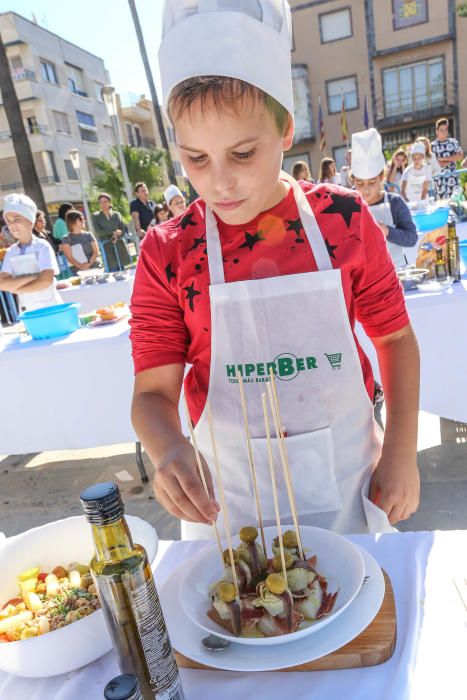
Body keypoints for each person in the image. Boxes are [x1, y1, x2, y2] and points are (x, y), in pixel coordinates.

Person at [130, 0, 420, 540]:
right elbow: (151, 394)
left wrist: (402, 451)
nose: (220, 183)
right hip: (229, 505)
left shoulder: (344, 221)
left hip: (350, 485)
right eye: (196, 159)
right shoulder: (166, 251)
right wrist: (167, 446)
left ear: (286, 129)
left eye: (242, 153)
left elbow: (396, 340)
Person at [352, 128, 417, 270]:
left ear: (382, 177)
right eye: (360, 184)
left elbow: (412, 238)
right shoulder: (349, 205)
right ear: (353, 180)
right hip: (364, 277)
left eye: (372, 182)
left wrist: (388, 231)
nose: (366, 190)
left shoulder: (395, 203)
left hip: (396, 271)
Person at [0, 193, 62, 312]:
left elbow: (46, 281)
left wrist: (17, 288)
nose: (12, 225)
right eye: (8, 221)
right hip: (27, 310)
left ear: (30, 221)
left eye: (17, 219)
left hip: (50, 307)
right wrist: (34, 276)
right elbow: (2, 283)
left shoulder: (42, 246)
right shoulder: (11, 252)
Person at [91, 193, 131, 271]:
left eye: (105, 201)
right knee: (112, 270)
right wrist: (113, 232)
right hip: (107, 246)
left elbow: (123, 228)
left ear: (109, 202)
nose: (103, 204)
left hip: (119, 244)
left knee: (122, 270)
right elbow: (98, 232)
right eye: (101, 202)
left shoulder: (117, 214)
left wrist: (118, 233)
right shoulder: (96, 216)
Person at [431, 117, 464, 200]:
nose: (444, 132)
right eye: (441, 130)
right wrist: (451, 159)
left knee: (456, 203)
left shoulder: (453, 142)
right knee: (442, 205)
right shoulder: (432, 146)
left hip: (454, 180)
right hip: (440, 182)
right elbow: (434, 163)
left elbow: (460, 155)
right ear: (437, 131)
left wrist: (444, 158)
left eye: (446, 129)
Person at [61, 210, 101, 274]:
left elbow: (96, 252)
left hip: (94, 266)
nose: (83, 221)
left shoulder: (89, 234)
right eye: (80, 219)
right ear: (72, 221)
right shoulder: (66, 239)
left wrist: (88, 264)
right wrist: (82, 267)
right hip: (78, 270)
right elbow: (69, 257)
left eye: (83, 218)